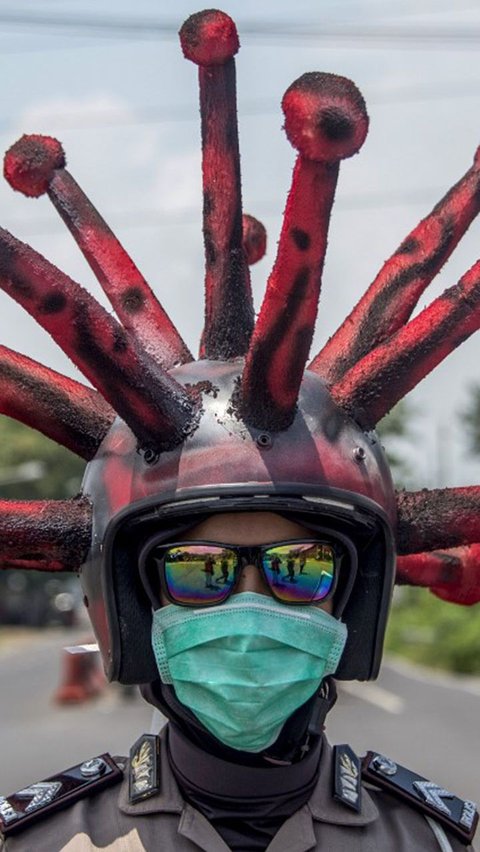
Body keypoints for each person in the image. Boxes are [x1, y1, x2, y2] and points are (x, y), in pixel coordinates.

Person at [0, 8, 479, 851]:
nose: (251, 611)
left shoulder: (438, 840)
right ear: (130, 599)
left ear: (354, 595)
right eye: (197, 570)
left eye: (300, 568)